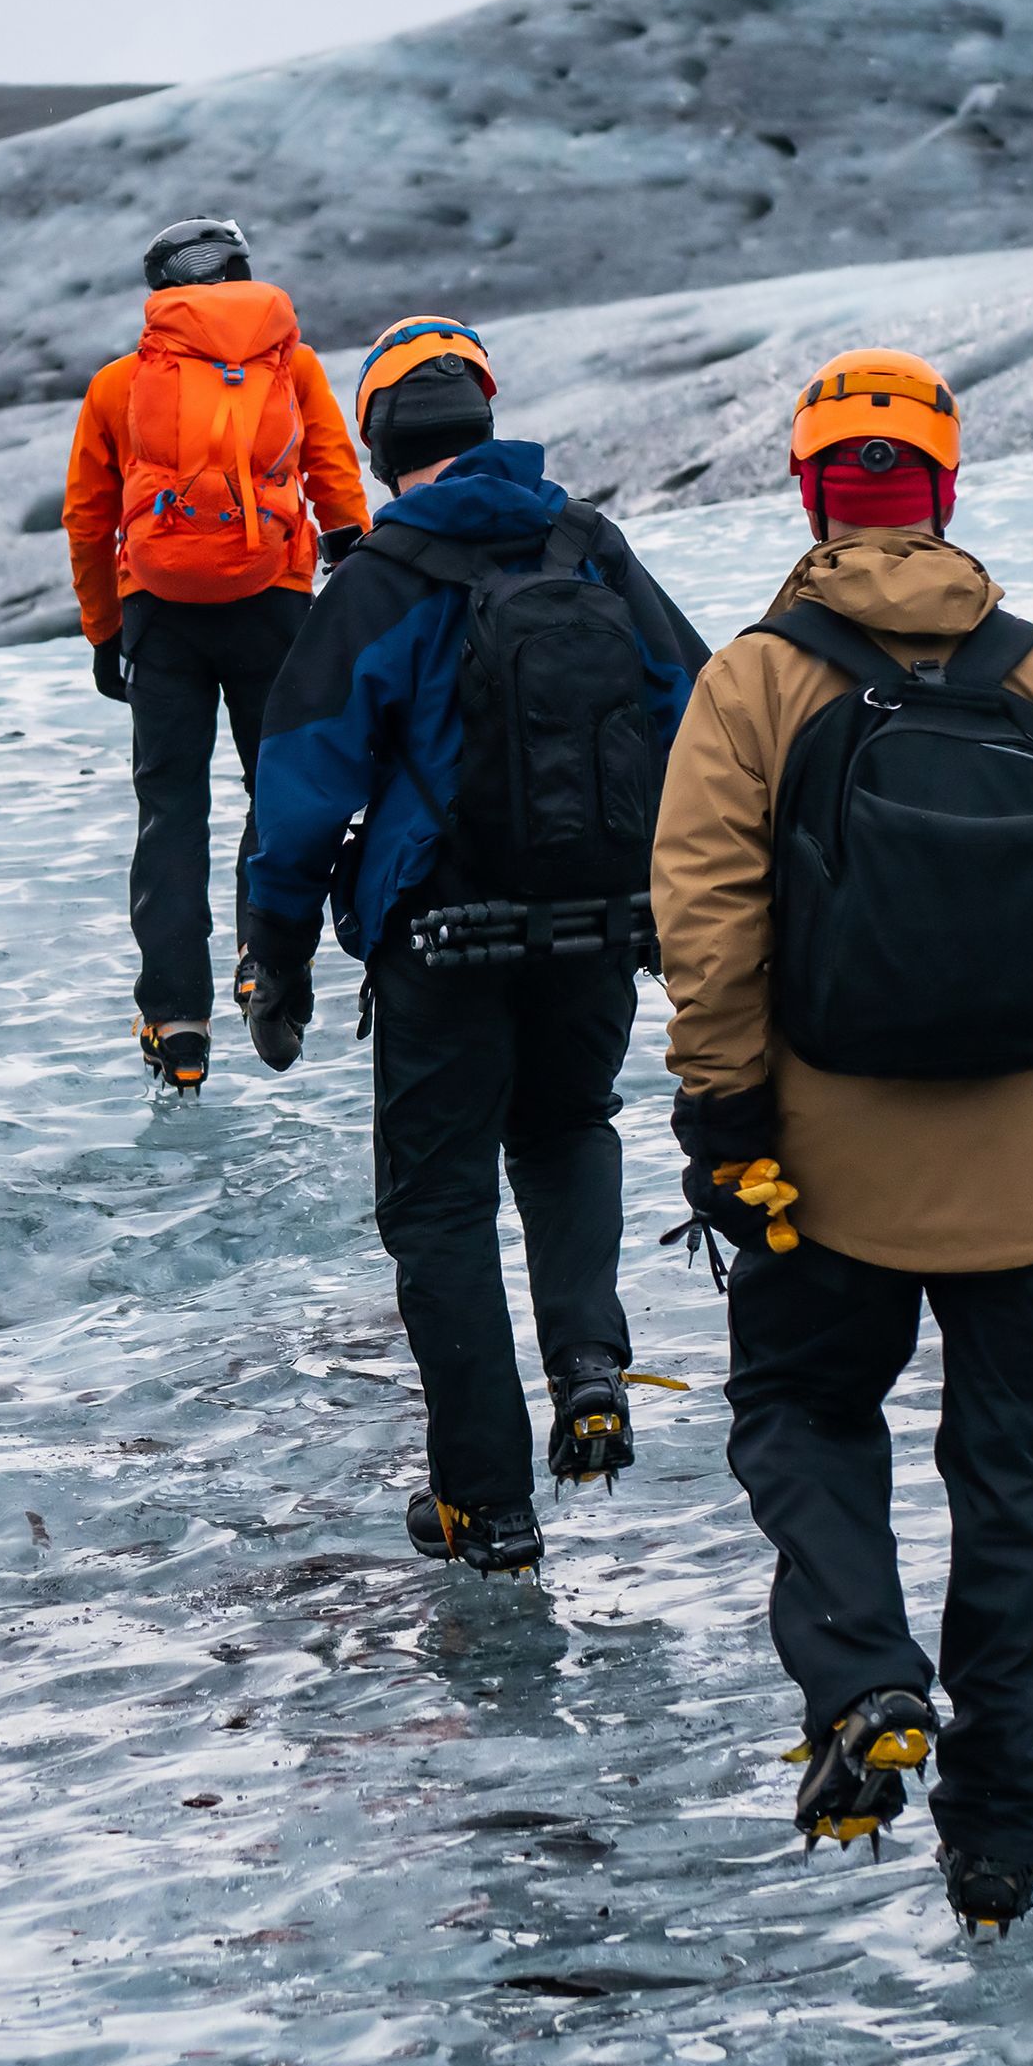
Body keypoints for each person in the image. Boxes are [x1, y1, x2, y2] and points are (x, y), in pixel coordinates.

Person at [648, 347, 1033, 1940]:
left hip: (823, 1175)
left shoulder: (753, 683)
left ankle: (863, 1679)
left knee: (799, 1407)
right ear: (944, 487)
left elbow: (706, 923)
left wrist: (725, 1121)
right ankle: (1002, 1839)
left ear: (809, 491)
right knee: (1013, 1480)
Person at [234, 316, 709, 1578]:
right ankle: (591, 1365)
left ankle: (484, 1502)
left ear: (382, 442)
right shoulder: (590, 549)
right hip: (603, 924)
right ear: (485, 423)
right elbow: (699, 708)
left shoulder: (384, 581)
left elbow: (299, 785)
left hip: (440, 941)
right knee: (565, 1131)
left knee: (440, 1211)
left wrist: (272, 951)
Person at [63, 218, 372, 1094]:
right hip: (272, 600)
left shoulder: (121, 383)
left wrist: (104, 629)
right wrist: (350, 569)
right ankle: (262, 963)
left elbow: (87, 518)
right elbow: (333, 481)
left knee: (170, 808)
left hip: (157, 609)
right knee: (273, 786)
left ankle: (177, 1021)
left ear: (159, 292)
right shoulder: (292, 366)